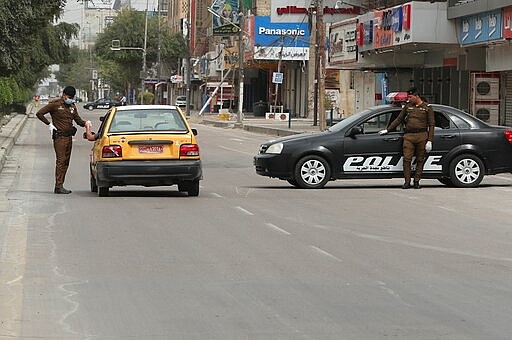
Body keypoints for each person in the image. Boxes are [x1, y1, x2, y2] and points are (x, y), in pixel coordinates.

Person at [36, 86, 91, 194]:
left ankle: (61, 185)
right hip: (59, 138)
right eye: (69, 97)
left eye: (72, 97)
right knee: (60, 161)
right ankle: (58, 186)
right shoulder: (55, 104)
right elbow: (39, 113)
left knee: (66, 162)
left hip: (69, 137)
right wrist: (49, 124)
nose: (70, 99)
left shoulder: (72, 106)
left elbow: (78, 120)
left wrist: (86, 123)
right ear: (64, 95)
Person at [379, 87, 435, 189]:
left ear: (416, 96)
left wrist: (430, 140)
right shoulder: (408, 107)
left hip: (422, 136)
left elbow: (431, 125)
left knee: (420, 159)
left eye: (411, 97)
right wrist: (388, 130)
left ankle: (417, 181)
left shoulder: (427, 107)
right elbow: (399, 119)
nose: (409, 99)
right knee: (407, 159)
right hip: (409, 136)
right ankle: (407, 182)